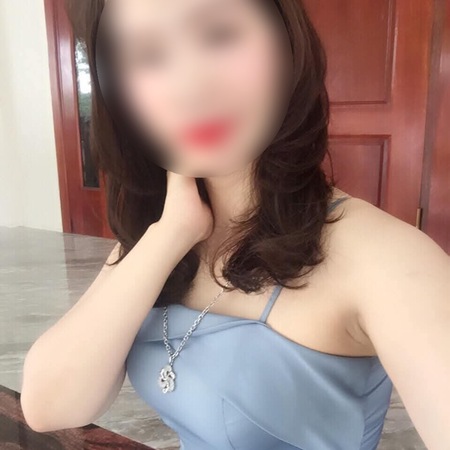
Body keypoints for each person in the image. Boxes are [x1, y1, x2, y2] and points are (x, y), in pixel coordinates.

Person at [21, 1, 450, 449]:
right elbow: (50, 406)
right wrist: (172, 233)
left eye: (220, 35)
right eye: (148, 57)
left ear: (286, 42)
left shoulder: (381, 257)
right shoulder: (161, 237)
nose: (191, 88)